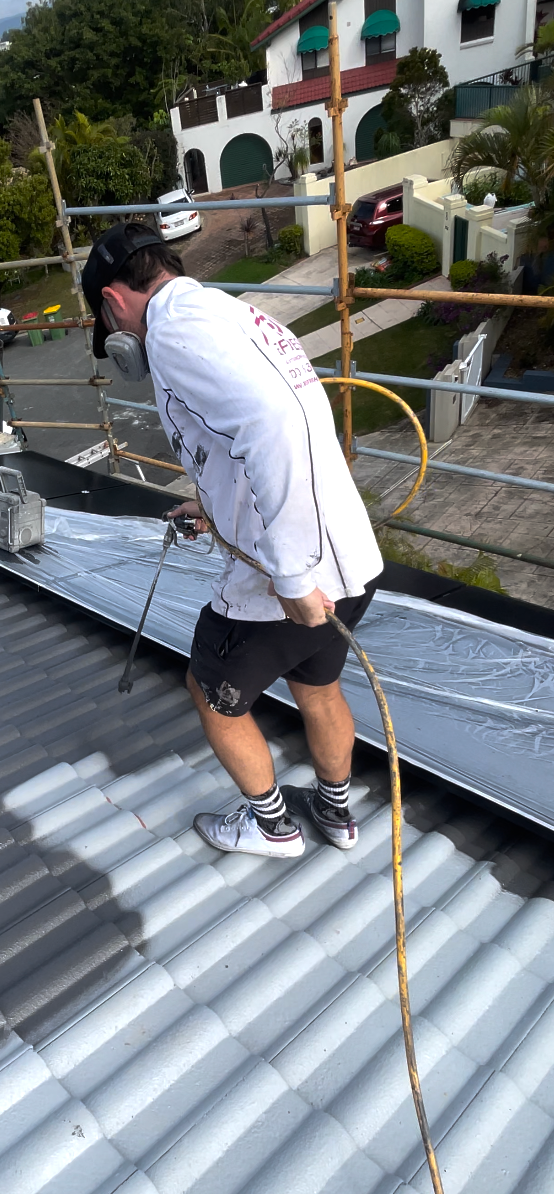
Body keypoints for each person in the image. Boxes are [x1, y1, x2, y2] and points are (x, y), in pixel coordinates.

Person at [81, 221, 383, 859]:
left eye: (109, 330)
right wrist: (214, 506)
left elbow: (274, 425)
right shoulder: (225, 312)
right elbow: (256, 433)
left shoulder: (172, 334)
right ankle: (336, 815)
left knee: (210, 689)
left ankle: (272, 827)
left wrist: (295, 577)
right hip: (347, 554)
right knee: (318, 686)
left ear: (113, 301)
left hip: (284, 579)